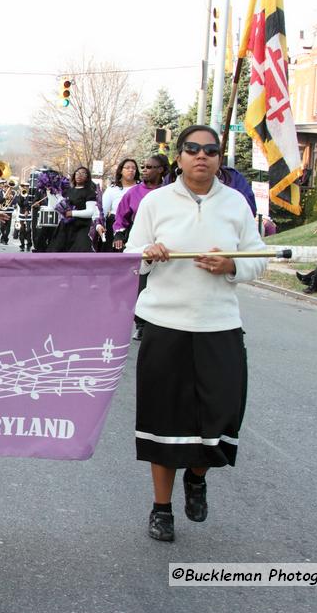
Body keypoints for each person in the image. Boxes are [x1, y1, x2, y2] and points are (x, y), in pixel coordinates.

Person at [125, 124, 267, 543]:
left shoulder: (236, 203)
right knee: (163, 420)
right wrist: (147, 255)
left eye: (210, 149)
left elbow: (258, 257)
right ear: (180, 157)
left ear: (219, 157)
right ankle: (161, 508)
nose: (201, 155)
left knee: (222, 415)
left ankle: (198, 477)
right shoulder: (156, 203)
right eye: (192, 149)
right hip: (165, 325)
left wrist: (233, 266)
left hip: (219, 325)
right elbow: (132, 259)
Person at [114, 154, 167, 341]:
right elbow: (121, 216)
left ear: (161, 170)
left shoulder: (169, 192)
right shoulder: (134, 192)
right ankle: (141, 324)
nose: (144, 170)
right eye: (143, 167)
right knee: (141, 284)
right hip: (141, 240)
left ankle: (161, 320)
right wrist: (119, 234)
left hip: (165, 242)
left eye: (149, 167)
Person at [47, 166, 98, 253]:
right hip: (65, 227)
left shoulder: (90, 192)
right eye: (77, 173)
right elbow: (54, 206)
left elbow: (90, 212)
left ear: (87, 177)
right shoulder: (68, 191)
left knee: (78, 254)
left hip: (82, 228)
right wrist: (50, 193)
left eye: (83, 173)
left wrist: (72, 213)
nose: (79, 175)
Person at [102, 159, 138, 252]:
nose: (131, 170)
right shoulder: (112, 189)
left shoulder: (140, 187)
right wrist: (100, 225)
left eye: (134, 168)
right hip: (115, 224)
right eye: (127, 168)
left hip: (136, 224)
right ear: (121, 170)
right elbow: (103, 210)